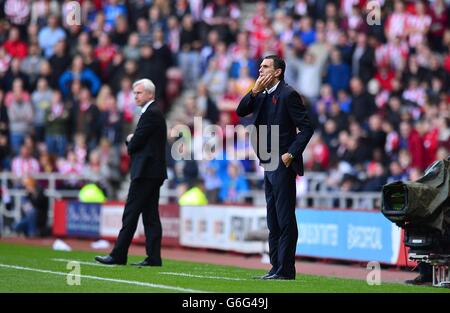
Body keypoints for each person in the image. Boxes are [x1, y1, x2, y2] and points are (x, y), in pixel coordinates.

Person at [236, 55, 314, 280]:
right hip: (267, 162)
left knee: (285, 217)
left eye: (265, 66)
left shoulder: (288, 94)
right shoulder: (260, 95)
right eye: (259, 66)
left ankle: (286, 270)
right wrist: (253, 91)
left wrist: (291, 154)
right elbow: (240, 111)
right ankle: (275, 267)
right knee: (273, 220)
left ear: (278, 72)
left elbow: (306, 128)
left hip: (282, 162)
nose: (260, 70)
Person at [95, 79, 167, 266]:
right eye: (134, 93)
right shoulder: (153, 113)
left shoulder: (151, 114)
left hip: (145, 172)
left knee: (131, 213)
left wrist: (130, 139)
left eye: (139, 93)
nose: (135, 96)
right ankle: (153, 257)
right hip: (151, 172)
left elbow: (135, 144)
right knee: (150, 216)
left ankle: (119, 254)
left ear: (150, 94)